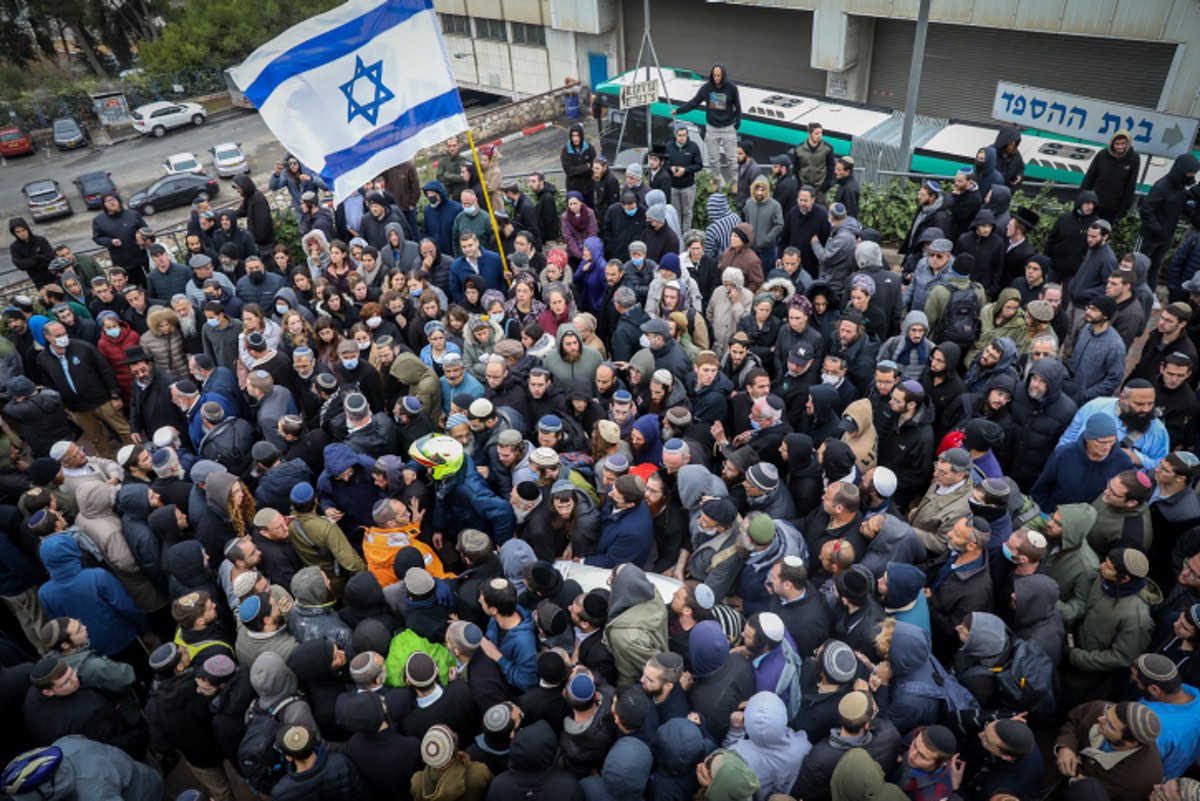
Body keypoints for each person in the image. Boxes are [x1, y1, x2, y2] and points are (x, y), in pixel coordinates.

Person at [672, 64, 741, 188]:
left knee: (732, 159)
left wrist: (738, 122)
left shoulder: (732, 88)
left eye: (719, 75)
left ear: (723, 75)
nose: (717, 78)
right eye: (715, 75)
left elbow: (738, 106)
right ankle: (717, 181)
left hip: (728, 127)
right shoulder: (707, 88)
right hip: (712, 127)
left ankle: (734, 182)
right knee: (713, 159)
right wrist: (678, 111)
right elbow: (694, 102)